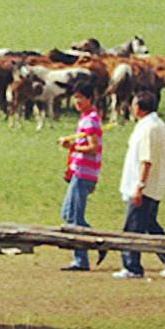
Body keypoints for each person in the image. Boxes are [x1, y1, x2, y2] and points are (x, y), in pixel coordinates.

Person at [112, 91, 165, 280]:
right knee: (150, 226)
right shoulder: (153, 125)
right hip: (149, 187)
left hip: (144, 187)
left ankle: (132, 267)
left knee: (132, 228)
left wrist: (139, 186)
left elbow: (147, 159)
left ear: (138, 107)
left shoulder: (149, 128)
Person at [56, 83, 102, 271]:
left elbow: (93, 147)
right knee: (67, 214)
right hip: (79, 172)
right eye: (75, 98)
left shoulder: (90, 120)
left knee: (73, 217)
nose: (77, 101)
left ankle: (81, 259)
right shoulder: (85, 118)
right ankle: (95, 241)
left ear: (89, 99)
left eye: (80, 98)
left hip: (84, 174)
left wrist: (72, 147)